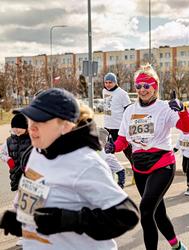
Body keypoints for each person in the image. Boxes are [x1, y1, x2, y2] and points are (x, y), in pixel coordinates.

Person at [0, 88, 139, 250]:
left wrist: (67, 220)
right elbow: (35, 197)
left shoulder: (85, 162)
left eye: (41, 121)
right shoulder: (38, 152)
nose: (32, 128)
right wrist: (19, 219)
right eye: (30, 120)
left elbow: (127, 215)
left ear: (66, 126)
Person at [105, 64, 189, 250]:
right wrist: (112, 147)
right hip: (139, 167)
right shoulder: (129, 111)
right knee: (157, 212)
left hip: (162, 164)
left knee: (145, 210)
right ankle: (177, 246)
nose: (142, 90)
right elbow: (123, 140)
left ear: (155, 87)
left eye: (146, 85)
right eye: (138, 86)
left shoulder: (165, 108)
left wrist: (182, 110)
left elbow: (187, 128)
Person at [102, 72, 133, 164]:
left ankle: (138, 174)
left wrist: (127, 126)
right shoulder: (104, 91)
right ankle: (111, 174)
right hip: (107, 128)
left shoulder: (122, 94)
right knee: (107, 154)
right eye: (106, 82)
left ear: (115, 82)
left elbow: (128, 110)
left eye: (110, 82)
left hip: (119, 128)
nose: (108, 84)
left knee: (129, 153)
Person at [0, 113, 32, 191]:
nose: (16, 130)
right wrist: (8, 160)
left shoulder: (32, 139)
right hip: (15, 177)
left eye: (19, 127)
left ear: (26, 127)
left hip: (30, 178)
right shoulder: (9, 141)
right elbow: (1, 152)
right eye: (14, 127)